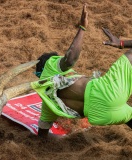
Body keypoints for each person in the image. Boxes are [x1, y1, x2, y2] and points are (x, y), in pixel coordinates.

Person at [31, 3, 132, 138]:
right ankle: (121, 43)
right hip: (107, 90)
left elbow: (42, 131)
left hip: (100, 115)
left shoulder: (46, 101)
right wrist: (82, 27)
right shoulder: (50, 65)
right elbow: (70, 59)